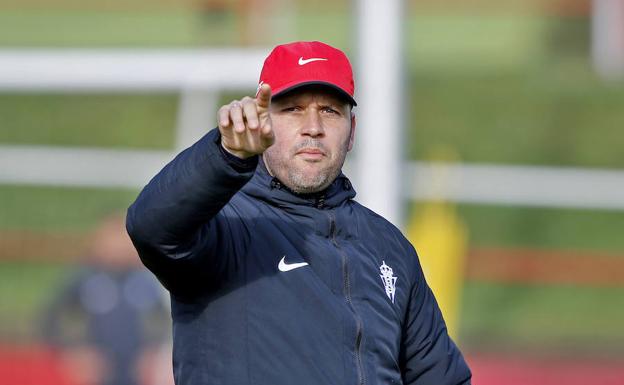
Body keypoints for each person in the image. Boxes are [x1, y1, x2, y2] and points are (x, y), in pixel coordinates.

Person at [126, 41, 471, 385]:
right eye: (293, 109)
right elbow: (151, 227)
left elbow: (441, 377)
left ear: (351, 130)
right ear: (262, 120)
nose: (313, 127)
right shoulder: (227, 225)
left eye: (329, 111)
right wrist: (225, 155)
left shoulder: (388, 246)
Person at [43, 214, 171, 385]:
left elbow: (168, 318)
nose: (120, 244)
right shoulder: (84, 278)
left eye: (125, 237)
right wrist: (74, 351)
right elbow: (49, 318)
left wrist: (154, 350)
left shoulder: (148, 279)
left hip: (138, 374)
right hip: (98, 373)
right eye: (113, 236)